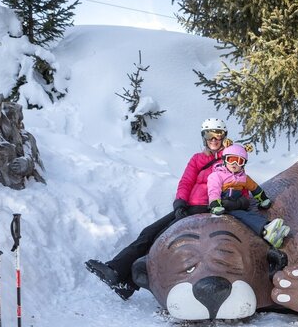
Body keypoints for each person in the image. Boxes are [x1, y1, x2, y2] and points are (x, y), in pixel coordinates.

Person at [85, 118, 230, 299]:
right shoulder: (197, 159)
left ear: (224, 137)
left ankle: (122, 277)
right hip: (189, 209)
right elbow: (186, 182)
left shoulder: (230, 159)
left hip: (206, 211)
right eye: (209, 135)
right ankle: (121, 277)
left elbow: (236, 184)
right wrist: (180, 203)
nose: (214, 139)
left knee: (160, 239)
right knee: (150, 232)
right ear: (204, 138)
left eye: (218, 135)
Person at [208, 143, 290, 249]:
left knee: (251, 212)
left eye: (239, 161)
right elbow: (213, 191)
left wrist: (263, 199)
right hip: (224, 205)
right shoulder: (217, 175)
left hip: (238, 203)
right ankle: (266, 230)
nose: (234, 163)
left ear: (243, 164)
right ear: (224, 159)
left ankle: (274, 231)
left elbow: (255, 188)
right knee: (243, 216)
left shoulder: (244, 177)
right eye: (231, 159)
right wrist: (215, 205)